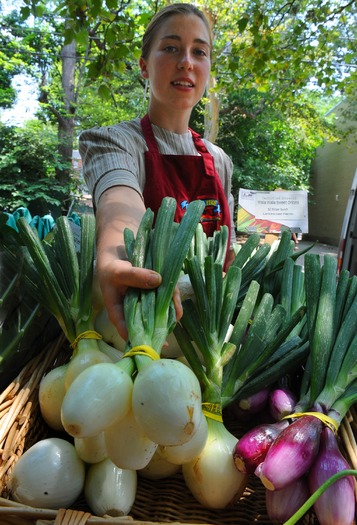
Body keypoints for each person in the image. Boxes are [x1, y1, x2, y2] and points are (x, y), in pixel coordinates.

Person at [79, 3, 237, 341]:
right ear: (144, 67)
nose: (186, 62)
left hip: (206, 338)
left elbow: (227, 253)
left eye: (199, 51)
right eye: (171, 48)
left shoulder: (220, 160)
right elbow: (118, 201)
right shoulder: (115, 142)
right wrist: (120, 258)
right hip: (134, 333)